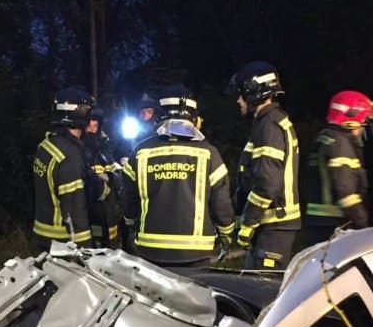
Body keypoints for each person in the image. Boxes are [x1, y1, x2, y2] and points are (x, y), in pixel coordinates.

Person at [119, 85, 235, 268]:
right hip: (196, 251)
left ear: (160, 114)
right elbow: (222, 203)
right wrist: (226, 234)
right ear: (194, 117)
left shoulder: (140, 152)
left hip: (151, 248)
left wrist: (132, 224)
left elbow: (128, 200)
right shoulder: (209, 153)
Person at [230, 61, 301, 269]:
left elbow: (267, 183)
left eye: (241, 93)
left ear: (255, 91)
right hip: (274, 224)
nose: (238, 100)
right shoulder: (270, 121)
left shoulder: (268, 125)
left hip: (273, 225)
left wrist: (248, 223)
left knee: (263, 293)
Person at [301, 90, 373, 249]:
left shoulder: (326, 137)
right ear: (351, 117)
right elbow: (345, 192)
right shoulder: (340, 143)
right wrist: (364, 225)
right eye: (363, 120)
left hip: (321, 224)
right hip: (335, 225)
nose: (363, 126)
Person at [32, 88, 94, 249]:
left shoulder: (46, 145)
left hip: (42, 235)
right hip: (62, 243)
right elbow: (74, 210)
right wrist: (86, 249)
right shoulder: (69, 156)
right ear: (80, 114)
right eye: (87, 110)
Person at [83, 109, 122, 248]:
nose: (93, 130)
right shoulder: (79, 151)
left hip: (109, 217)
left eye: (96, 126)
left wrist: (109, 177)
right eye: (89, 126)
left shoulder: (104, 151)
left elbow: (119, 179)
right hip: (90, 217)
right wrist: (100, 183)